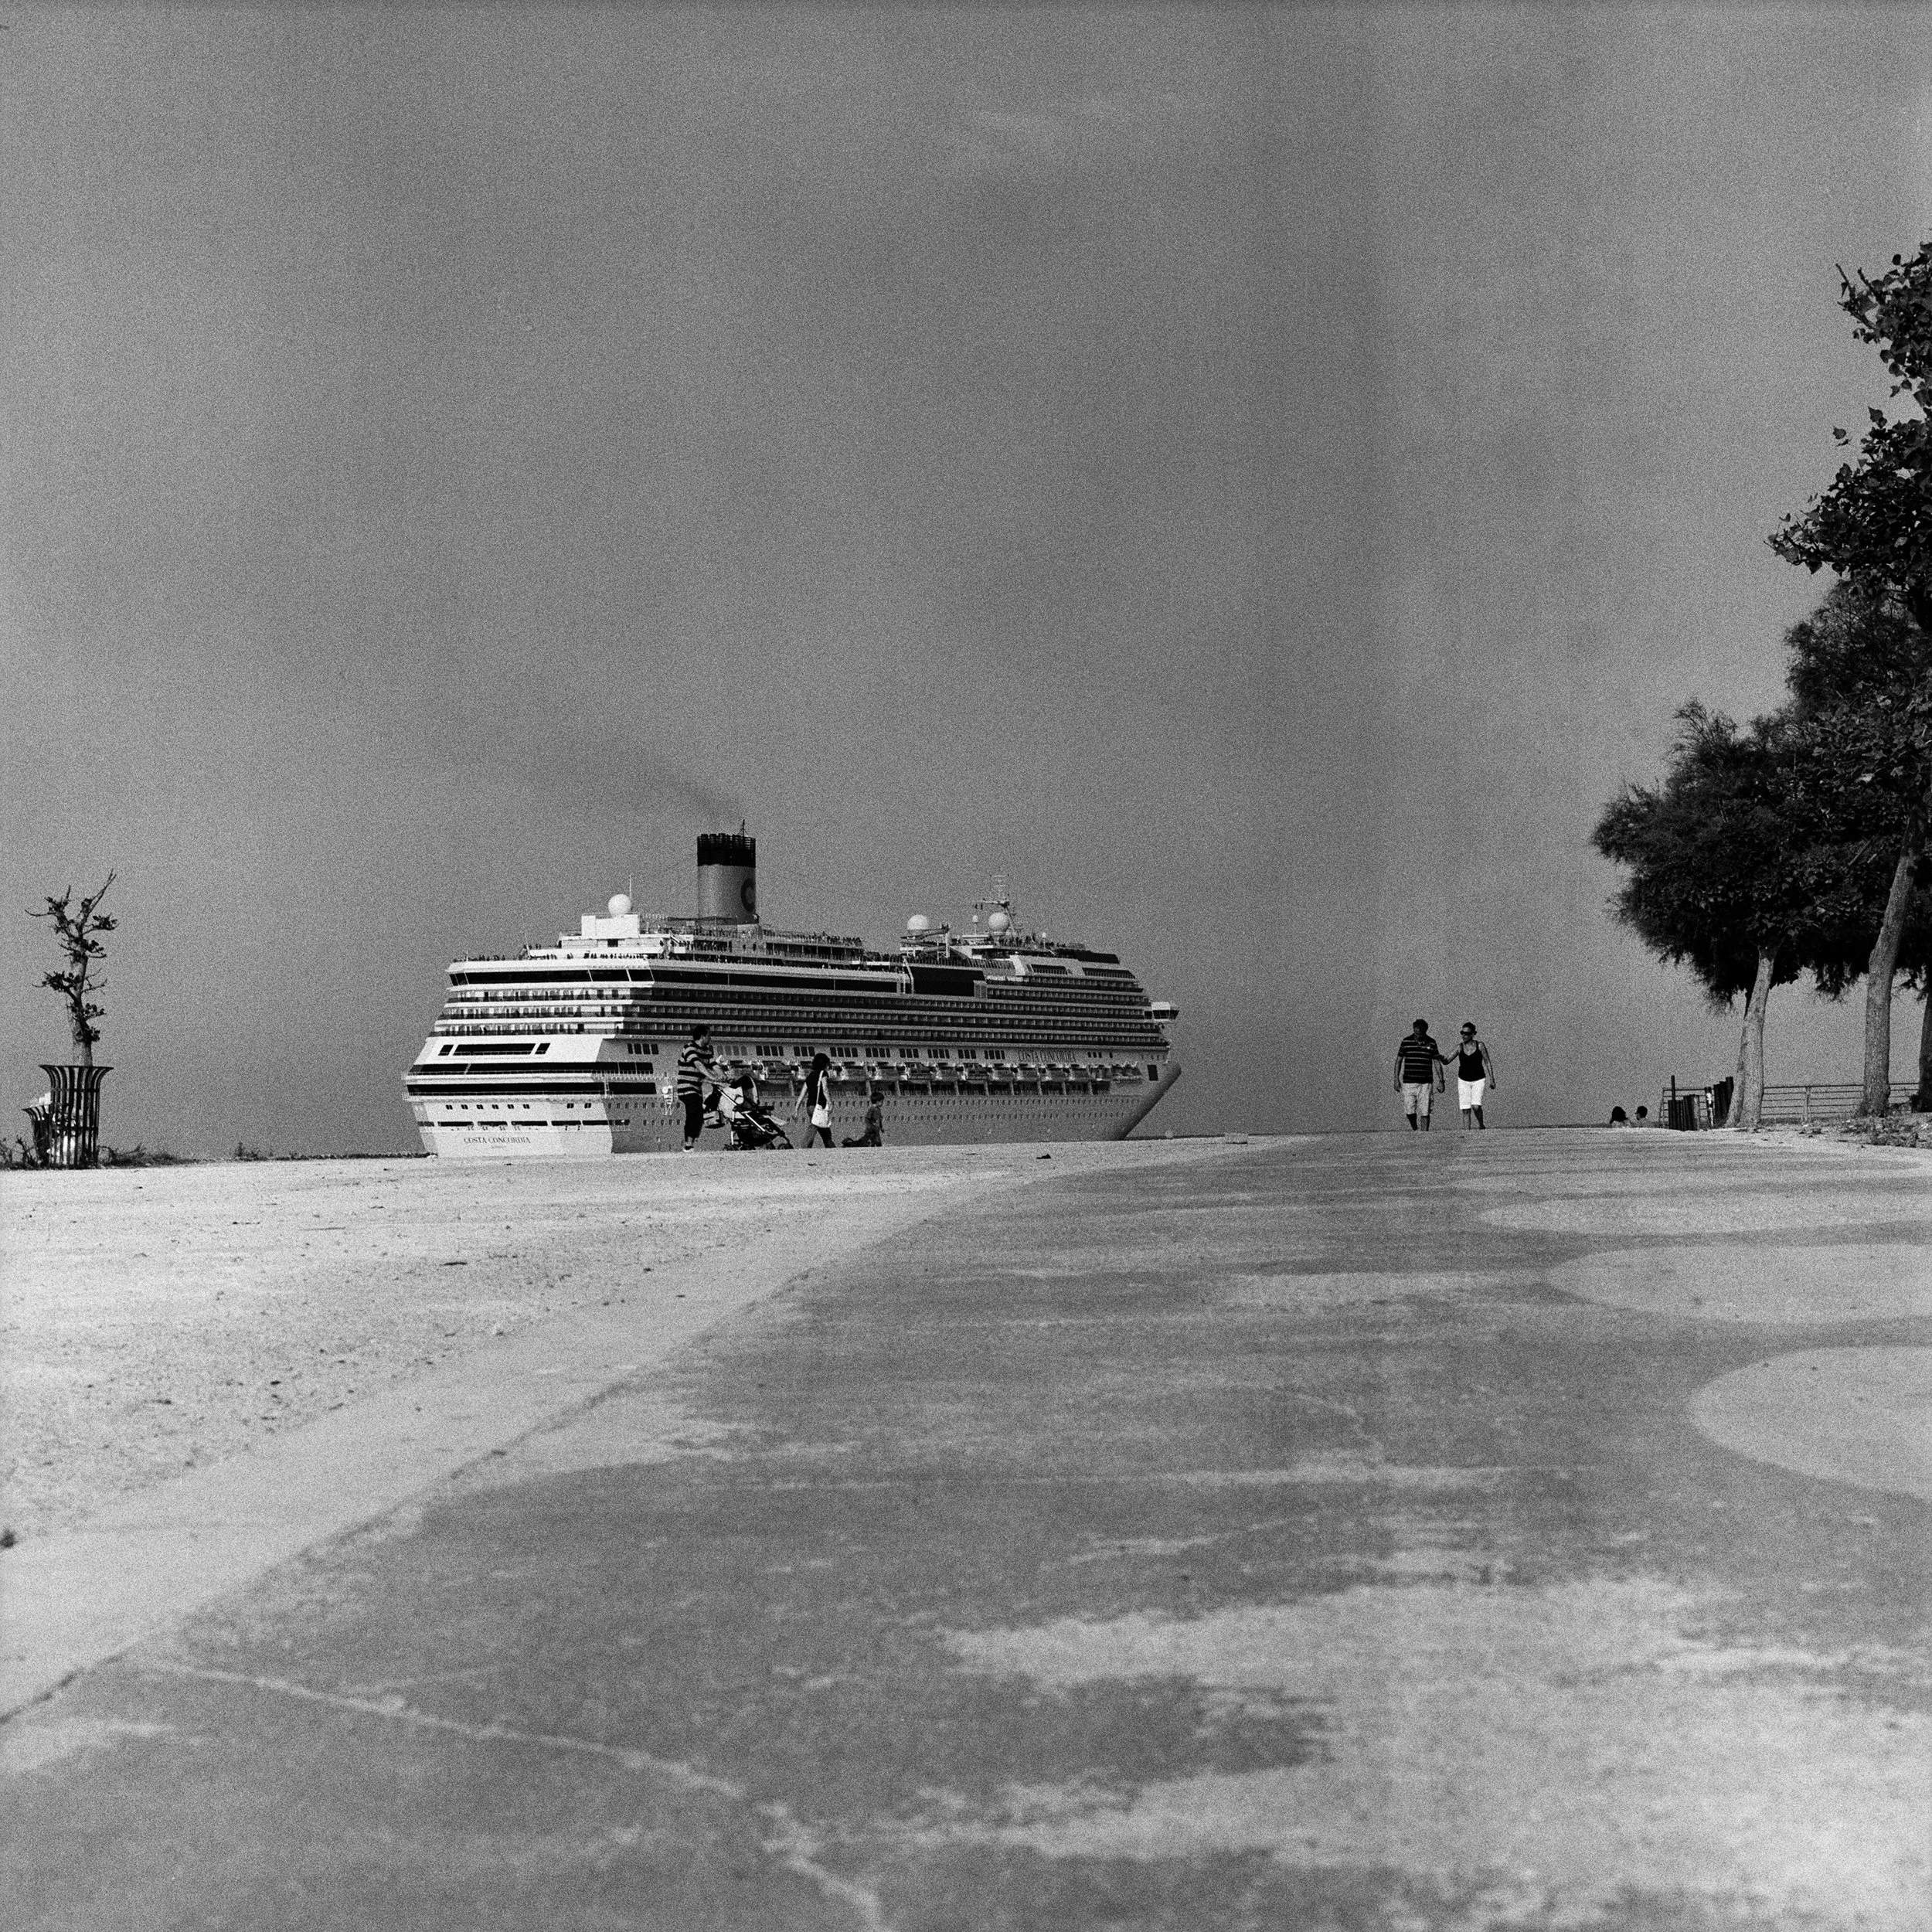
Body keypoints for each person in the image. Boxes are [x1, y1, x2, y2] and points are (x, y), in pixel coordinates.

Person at [1393, 1019, 1447, 1131]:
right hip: (1409, 1082)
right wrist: (1396, 1079)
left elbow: (1436, 1062)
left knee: (1425, 1111)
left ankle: (1424, 1134)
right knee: (1409, 1110)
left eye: (1421, 1032)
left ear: (1425, 1031)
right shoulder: (1406, 1042)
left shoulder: (1431, 1042)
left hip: (1426, 1082)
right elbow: (1399, 1061)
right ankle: (1415, 1129)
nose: (1418, 1035)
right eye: (1416, 1032)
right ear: (1414, 1029)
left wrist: (1441, 1081)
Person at [676, 1025, 722, 1151]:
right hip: (685, 1086)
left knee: (698, 1115)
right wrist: (713, 1078)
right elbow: (699, 1065)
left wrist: (723, 1076)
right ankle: (688, 1144)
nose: (711, 1038)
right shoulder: (689, 1048)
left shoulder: (707, 1050)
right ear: (703, 1037)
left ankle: (690, 1143)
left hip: (697, 1087)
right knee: (694, 1112)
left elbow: (714, 1065)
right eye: (709, 1036)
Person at [1452, 1022, 1497, 1128]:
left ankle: (1481, 1125)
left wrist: (1492, 1079)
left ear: (1473, 1034)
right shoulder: (1459, 1047)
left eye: (1467, 1033)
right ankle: (1467, 1133)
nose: (1464, 1036)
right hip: (1463, 1080)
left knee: (1476, 1106)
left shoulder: (1480, 1045)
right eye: (1462, 1033)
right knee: (1465, 1109)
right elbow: (1447, 1059)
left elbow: (1487, 1062)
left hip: (1478, 1079)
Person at [791, 1052, 835, 1149]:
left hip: (809, 1106)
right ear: (824, 1064)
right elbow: (825, 1089)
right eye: (827, 1064)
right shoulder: (823, 1073)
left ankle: (829, 1148)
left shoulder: (810, 1076)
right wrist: (830, 1103)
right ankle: (805, 1147)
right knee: (815, 1127)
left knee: (824, 1129)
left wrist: (796, 1110)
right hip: (818, 1106)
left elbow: (802, 1095)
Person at [842, 1084, 885, 1148]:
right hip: (872, 1128)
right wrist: (870, 1126)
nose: (883, 1103)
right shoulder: (872, 1109)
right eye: (882, 1102)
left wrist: (881, 1128)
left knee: (870, 1139)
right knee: (875, 1139)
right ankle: (878, 1146)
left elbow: (878, 1120)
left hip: (875, 1128)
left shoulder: (877, 1109)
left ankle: (874, 1145)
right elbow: (867, 1118)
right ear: (877, 1101)